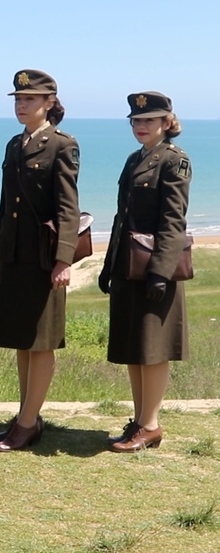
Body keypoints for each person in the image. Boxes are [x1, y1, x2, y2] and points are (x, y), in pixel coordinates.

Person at [0, 69, 80, 452]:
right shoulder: (14, 144)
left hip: (43, 257)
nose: (22, 105)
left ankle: (27, 423)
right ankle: (27, 415)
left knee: (41, 343)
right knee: (23, 339)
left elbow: (67, 207)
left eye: (30, 100)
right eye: (19, 99)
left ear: (49, 103)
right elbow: (8, 206)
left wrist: (63, 260)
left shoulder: (61, 145)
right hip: (16, 254)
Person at [99, 92, 190, 452]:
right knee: (134, 348)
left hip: (155, 270)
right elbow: (123, 220)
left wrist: (160, 273)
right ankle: (139, 422)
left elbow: (173, 221)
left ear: (166, 123)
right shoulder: (135, 159)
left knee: (153, 350)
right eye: (136, 120)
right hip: (129, 265)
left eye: (149, 120)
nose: (141, 126)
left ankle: (150, 424)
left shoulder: (174, 161)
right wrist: (110, 266)